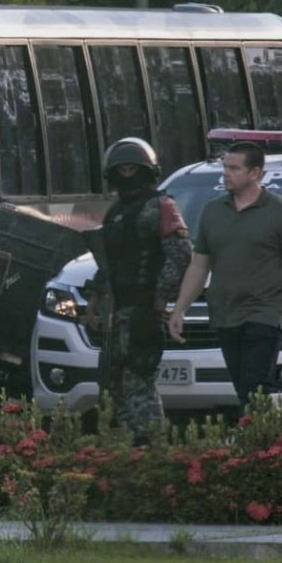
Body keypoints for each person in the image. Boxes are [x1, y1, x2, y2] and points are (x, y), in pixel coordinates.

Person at [168, 141, 282, 418]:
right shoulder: (213, 211)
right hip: (225, 312)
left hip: (265, 311)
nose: (226, 174)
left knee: (255, 383)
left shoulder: (279, 212)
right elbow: (199, 266)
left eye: (234, 168)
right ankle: (257, 445)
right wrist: (180, 308)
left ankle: (259, 450)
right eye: (225, 167)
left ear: (255, 173)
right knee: (243, 387)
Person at [83, 138, 192, 444]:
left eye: (133, 168)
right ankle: (128, 453)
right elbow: (108, 263)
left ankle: (152, 452)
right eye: (122, 169)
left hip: (143, 312)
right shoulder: (116, 212)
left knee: (138, 384)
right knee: (115, 385)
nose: (127, 175)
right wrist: (95, 298)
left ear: (147, 171)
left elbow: (181, 253)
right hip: (117, 314)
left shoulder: (162, 206)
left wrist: (161, 296)